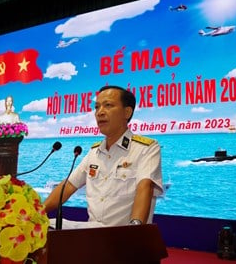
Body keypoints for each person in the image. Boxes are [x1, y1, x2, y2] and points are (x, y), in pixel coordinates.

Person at [44, 85, 163, 227]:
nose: (100, 112)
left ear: (127, 112)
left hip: (124, 237)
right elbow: (68, 186)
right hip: (94, 236)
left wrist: (134, 230)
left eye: (108, 105)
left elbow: (145, 188)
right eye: (97, 107)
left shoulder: (146, 148)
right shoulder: (94, 152)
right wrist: (36, 212)